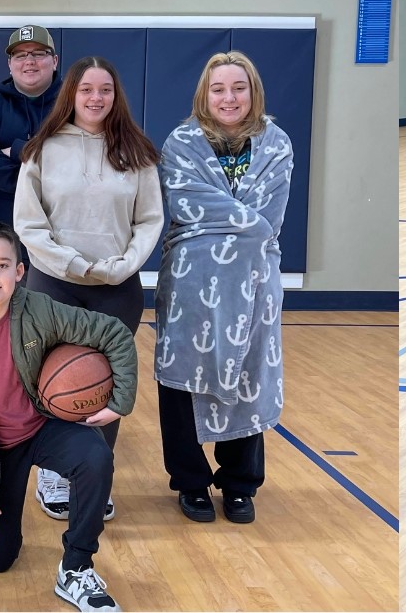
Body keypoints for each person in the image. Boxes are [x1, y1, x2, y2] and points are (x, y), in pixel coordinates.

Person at [0, 221, 140, 612]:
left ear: (20, 272)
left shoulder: (38, 308)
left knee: (95, 455)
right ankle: (4, 519)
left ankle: (76, 568)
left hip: (40, 428)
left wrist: (120, 401)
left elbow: (114, 333)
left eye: (3, 265)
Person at [14, 56, 162, 520]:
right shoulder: (43, 149)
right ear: (71, 95)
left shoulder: (136, 152)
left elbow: (149, 220)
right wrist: (72, 262)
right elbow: (29, 224)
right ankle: (56, 472)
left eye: (105, 90)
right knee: (55, 380)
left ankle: (97, 474)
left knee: (103, 384)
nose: (96, 98)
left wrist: (123, 265)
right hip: (54, 282)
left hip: (117, 287)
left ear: (116, 97)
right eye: (86, 90)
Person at [153, 51, 294, 524]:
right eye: (219, 89)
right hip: (191, 282)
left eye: (239, 88)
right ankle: (190, 482)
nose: (229, 98)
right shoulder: (180, 144)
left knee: (249, 376)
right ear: (204, 94)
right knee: (181, 383)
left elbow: (268, 221)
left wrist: (231, 224)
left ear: (253, 92)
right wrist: (244, 223)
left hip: (254, 282)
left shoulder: (277, 144)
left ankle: (239, 484)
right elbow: (188, 210)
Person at [0, 24, 61, 226]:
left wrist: (17, 150)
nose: (29, 61)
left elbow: (76, 158)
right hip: (0, 230)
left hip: (59, 229)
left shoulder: (73, 108)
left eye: (38, 53)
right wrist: (42, 182)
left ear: (54, 61)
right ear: (10, 64)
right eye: (20, 55)